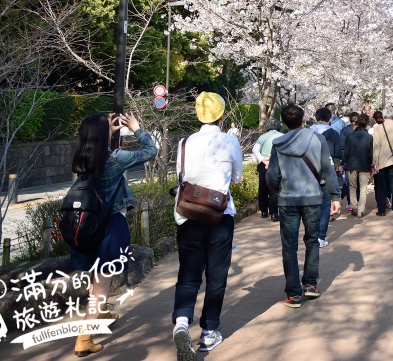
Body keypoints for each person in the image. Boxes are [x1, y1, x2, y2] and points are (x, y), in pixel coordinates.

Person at [69, 112, 157, 357]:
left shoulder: (81, 159)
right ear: (102, 134)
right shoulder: (115, 159)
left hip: (87, 227)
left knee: (96, 277)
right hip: (109, 227)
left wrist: (108, 131)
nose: (113, 126)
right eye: (109, 125)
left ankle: (103, 313)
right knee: (102, 286)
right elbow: (150, 151)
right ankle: (84, 339)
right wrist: (137, 129)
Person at [172, 93, 243, 359]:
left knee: (188, 275)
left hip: (188, 215)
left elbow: (182, 175)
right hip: (218, 216)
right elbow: (235, 177)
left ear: (198, 115)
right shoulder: (230, 141)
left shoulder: (184, 142)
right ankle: (209, 332)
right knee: (216, 276)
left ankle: (181, 323)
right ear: (222, 115)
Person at [266, 104, 341, 308]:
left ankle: (293, 293)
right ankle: (310, 285)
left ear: (284, 121)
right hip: (313, 198)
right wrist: (335, 195)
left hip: (288, 199)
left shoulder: (278, 143)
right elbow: (327, 168)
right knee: (312, 241)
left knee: (289, 247)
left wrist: (278, 189)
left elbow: (272, 176)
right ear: (305, 119)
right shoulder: (317, 139)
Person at [311, 108, 342, 246]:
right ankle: (321, 237)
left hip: (309, 174)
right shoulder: (334, 133)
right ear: (330, 119)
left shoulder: (308, 132)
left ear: (315, 119)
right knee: (325, 206)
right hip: (326, 172)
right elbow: (338, 153)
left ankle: (311, 235)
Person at [372, 107, 393, 219]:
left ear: (383, 116)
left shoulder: (378, 128)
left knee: (381, 186)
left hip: (382, 161)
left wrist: (375, 162)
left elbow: (376, 146)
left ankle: (381, 210)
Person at [342, 113, 373, 218]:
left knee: (352, 187)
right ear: (367, 123)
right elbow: (371, 153)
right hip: (364, 164)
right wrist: (372, 165)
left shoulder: (351, 136)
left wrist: (343, 163)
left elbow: (346, 152)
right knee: (363, 188)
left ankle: (354, 207)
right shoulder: (369, 137)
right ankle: (361, 210)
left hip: (352, 164)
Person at [252, 119, 283, 220]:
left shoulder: (263, 136)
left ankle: (264, 211)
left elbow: (255, 150)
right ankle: (274, 213)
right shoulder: (282, 136)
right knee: (274, 187)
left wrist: (262, 160)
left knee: (263, 187)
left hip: (263, 163)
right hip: (276, 163)